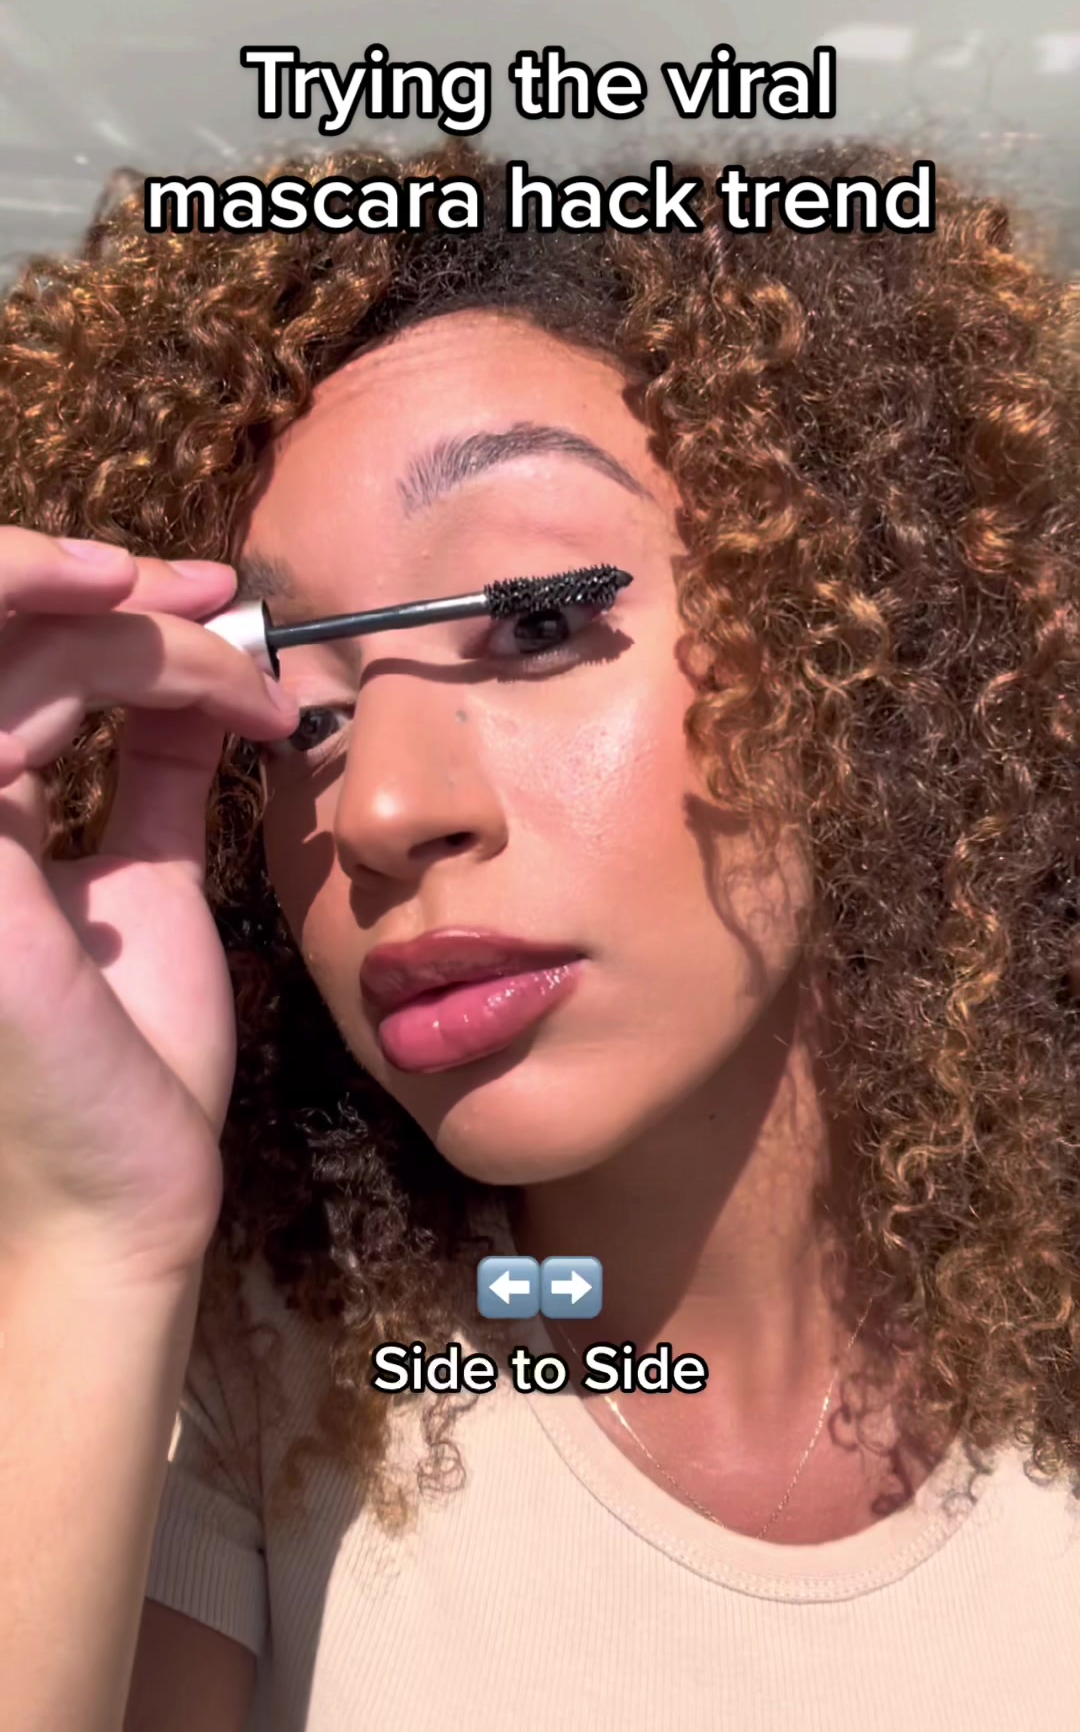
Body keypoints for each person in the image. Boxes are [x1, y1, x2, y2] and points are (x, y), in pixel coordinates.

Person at [1, 142, 1078, 1732]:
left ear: (861, 643)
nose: (378, 809)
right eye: (300, 712)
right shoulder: (214, 1388)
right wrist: (93, 1242)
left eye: (532, 619)